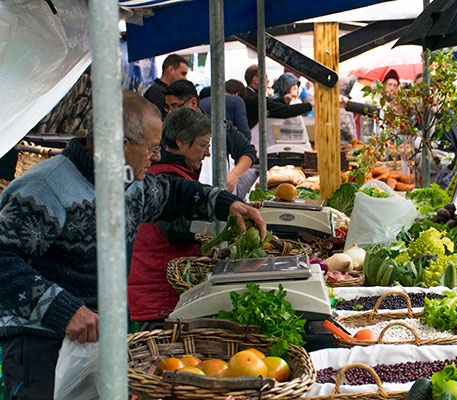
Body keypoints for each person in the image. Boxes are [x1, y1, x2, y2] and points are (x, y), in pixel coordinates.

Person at [0, 91, 265, 399]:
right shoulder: (44, 188)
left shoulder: (127, 183)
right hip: (40, 343)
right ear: (120, 144)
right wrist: (62, 309)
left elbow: (170, 192)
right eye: (152, 148)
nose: (156, 157)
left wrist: (224, 203)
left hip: (97, 337)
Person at [128, 108, 212, 323]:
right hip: (159, 293)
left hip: (159, 290)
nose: (208, 153)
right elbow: (177, 229)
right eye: (203, 145)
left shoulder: (164, 173)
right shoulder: (166, 178)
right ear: (182, 142)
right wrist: (216, 228)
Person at [164, 80, 258, 198]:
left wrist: (233, 176)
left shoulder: (220, 128)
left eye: (176, 106)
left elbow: (248, 152)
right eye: (167, 108)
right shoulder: (166, 132)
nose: (170, 113)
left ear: (193, 103)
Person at [244, 66, 311, 128]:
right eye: (266, 77)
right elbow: (284, 110)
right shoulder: (255, 99)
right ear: (256, 80)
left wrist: (283, 100)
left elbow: (270, 104)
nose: (268, 81)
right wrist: (310, 105)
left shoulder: (250, 95)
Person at [143, 54, 189, 118]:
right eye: (183, 73)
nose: (185, 78)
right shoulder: (156, 92)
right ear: (171, 69)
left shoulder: (160, 90)